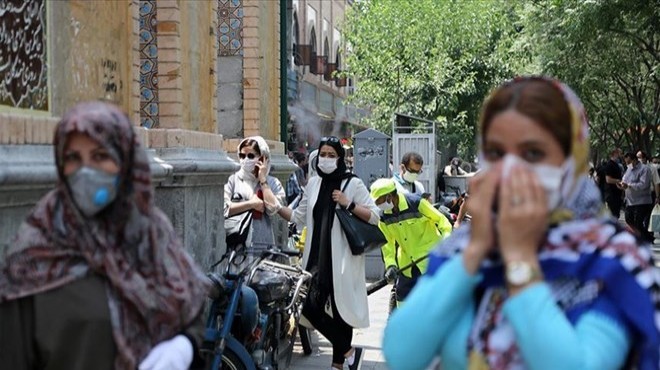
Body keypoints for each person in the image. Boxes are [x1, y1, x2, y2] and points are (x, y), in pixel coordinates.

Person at [383, 77, 660, 370]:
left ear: (571, 157)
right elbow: (402, 352)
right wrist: (476, 252)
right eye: (497, 152)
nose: (512, 168)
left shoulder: (610, 259)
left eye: (533, 153)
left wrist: (519, 262)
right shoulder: (465, 250)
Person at [0, 101, 210, 370]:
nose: (85, 171)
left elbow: (191, 314)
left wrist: (183, 348)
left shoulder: (151, 235)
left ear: (125, 161)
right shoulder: (35, 252)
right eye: (73, 158)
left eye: (100, 156)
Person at [280, 136, 380, 370]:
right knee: (308, 307)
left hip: (342, 260)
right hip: (316, 259)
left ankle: (337, 365)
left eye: (331, 155)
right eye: (322, 154)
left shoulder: (352, 184)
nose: (326, 159)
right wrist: (274, 206)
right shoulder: (313, 184)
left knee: (341, 311)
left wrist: (349, 204)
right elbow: (298, 216)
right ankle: (350, 352)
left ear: (340, 158)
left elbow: (375, 215)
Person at [370, 178, 452, 307]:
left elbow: (441, 220)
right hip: (406, 264)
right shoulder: (384, 218)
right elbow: (387, 244)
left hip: (429, 259)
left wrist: (447, 239)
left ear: (389, 197)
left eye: (379, 201)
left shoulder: (416, 203)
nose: (378, 205)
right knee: (402, 300)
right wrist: (390, 265)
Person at [224, 136, 288, 254]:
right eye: (242, 156)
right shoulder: (233, 180)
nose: (246, 160)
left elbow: (272, 208)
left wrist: (263, 180)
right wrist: (250, 204)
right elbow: (224, 208)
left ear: (262, 158)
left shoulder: (272, 183)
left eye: (251, 156)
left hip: (263, 244)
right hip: (237, 245)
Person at [619, 152, 654, 242]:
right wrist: (621, 185)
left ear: (634, 160)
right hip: (630, 201)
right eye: (626, 162)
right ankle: (646, 237)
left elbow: (644, 184)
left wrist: (629, 185)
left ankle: (642, 239)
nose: (627, 164)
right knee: (628, 219)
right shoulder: (629, 169)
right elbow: (624, 179)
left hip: (642, 201)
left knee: (638, 222)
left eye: (629, 162)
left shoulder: (644, 169)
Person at [603, 148, 624, 218]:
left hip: (617, 194)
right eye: (620, 154)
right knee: (613, 215)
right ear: (615, 154)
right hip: (611, 194)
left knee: (616, 214)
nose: (621, 156)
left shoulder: (617, 165)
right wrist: (619, 181)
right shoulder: (609, 165)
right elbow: (608, 180)